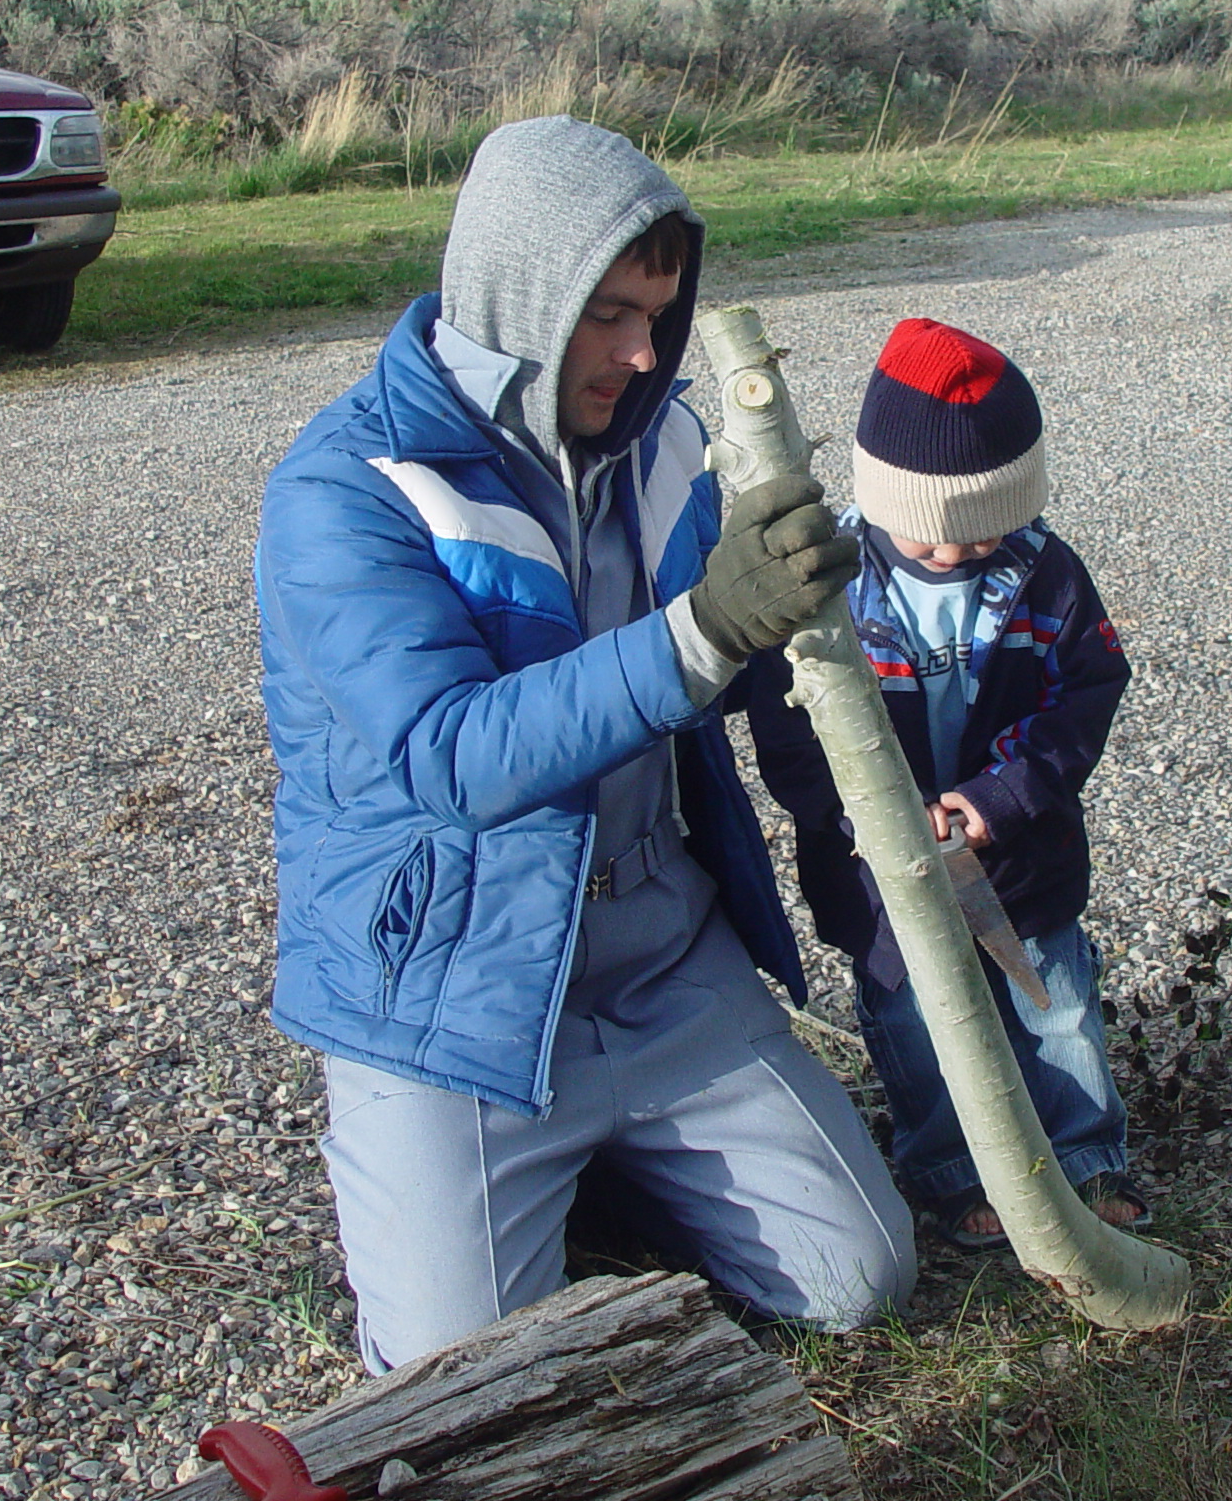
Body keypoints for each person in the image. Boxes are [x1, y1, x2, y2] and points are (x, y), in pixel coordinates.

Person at [254, 116, 917, 1370]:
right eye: (609, 315)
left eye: (660, 313)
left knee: (858, 1278)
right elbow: (453, 758)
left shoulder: (667, 442)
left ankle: (608, 1177)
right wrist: (711, 625)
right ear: (521, 300)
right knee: (458, 1381)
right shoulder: (346, 491)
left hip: (663, 968)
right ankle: (488, 1174)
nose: (643, 352)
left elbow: (772, 681)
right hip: (453, 997)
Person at [746, 317, 1143, 1248]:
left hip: (1019, 857)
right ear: (880, 496)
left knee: (1059, 1008)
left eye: (984, 534)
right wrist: (865, 818)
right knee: (919, 1018)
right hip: (880, 869)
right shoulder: (826, 588)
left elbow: (1088, 691)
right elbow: (788, 729)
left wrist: (1001, 798)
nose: (960, 555)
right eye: (933, 541)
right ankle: (950, 1169)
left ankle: (1084, 1155)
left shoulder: (1044, 575)